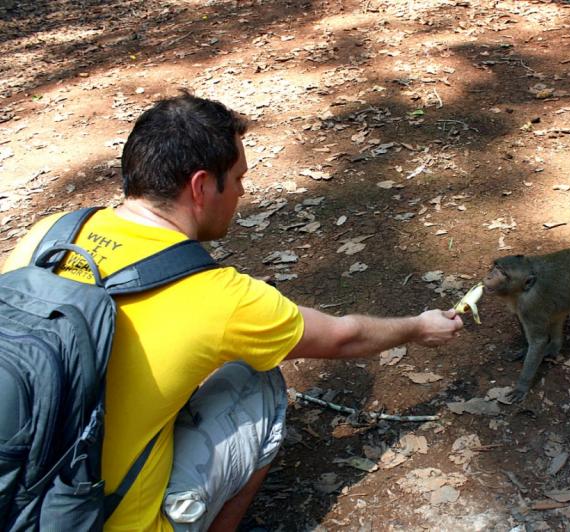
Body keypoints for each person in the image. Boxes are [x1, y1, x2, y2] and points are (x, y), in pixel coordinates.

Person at [0, 91, 463, 531]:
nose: (241, 193)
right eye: (238, 179)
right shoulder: (220, 296)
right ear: (201, 186)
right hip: (107, 520)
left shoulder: (49, 233)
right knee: (258, 383)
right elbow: (343, 336)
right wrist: (418, 327)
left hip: (18, 496)